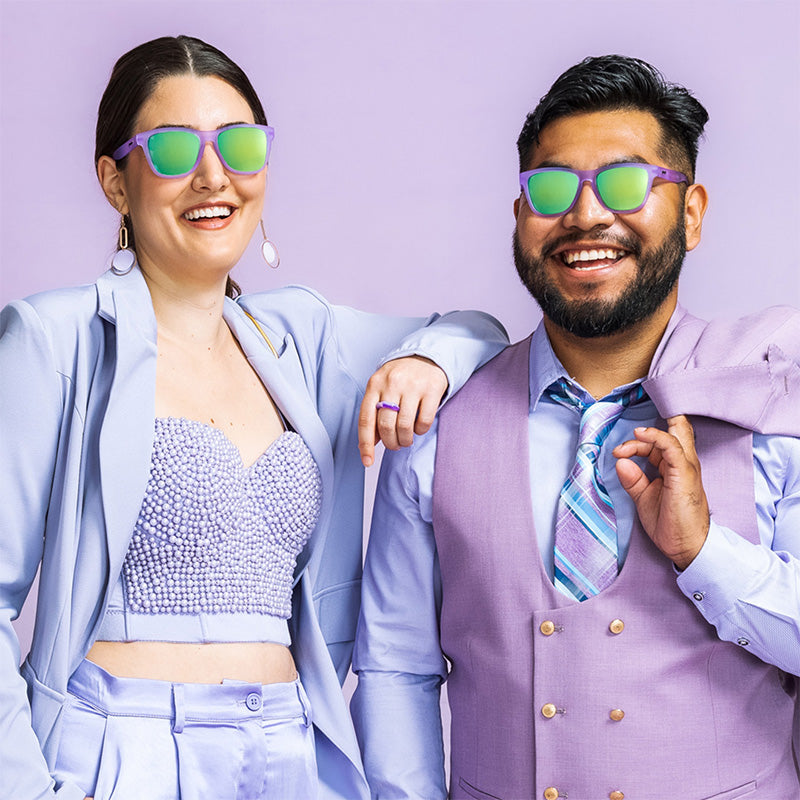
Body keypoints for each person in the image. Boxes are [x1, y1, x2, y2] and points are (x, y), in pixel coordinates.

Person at [0, 35, 508, 800]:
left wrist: (424, 361)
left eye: (239, 145)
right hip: (120, 755)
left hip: (294, 752)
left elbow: (480, 330)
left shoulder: (299, 337)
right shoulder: (55, 338)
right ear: (115, 180)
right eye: (173, 149)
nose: (214, 174)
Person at [352, 54, 800, 799]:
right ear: (521, 216)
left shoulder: (772, 405)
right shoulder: (436, 422)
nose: (586, 215)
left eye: (626, 183)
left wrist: (704, 552)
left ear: (691, 212)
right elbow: (397, 668)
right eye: (553, 188)